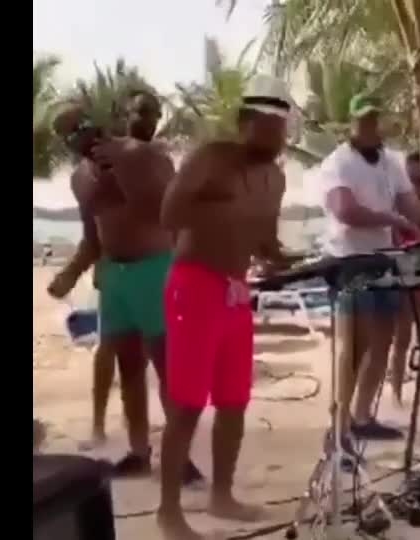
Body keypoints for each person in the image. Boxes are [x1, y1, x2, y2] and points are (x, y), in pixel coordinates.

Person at [157, 74, 291, 540]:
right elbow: (169, 215)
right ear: (243, 123)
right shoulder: (211, 158)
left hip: (236, 291)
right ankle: (168, 512)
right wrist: (222, 207)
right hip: (194, 284)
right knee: (187, 404)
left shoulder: (276, 178)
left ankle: (222, 495)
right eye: (267, 127)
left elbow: (266, 240)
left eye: (281, 129)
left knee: (234, 400)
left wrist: (284, 259)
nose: (276, 138)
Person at [48, 91, 204, 484]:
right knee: (129, 368)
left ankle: (180, 457)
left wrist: (123, 171)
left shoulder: (144, 155)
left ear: (97, 121)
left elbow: (172, 212)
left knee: (168, 367)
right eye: (68, 134)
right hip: (115, 277)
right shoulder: (80, 178)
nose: (79, 136)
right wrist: (70, 273)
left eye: (81, 125)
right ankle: (139, 451)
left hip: (155, 271)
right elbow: (92, 238)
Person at [318, 94, 420, 448]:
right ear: (351, 123)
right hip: (349, 262)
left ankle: (362, 417)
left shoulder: (391, 162)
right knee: (354, 346)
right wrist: (391, 219)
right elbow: (345, 211)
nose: (370, 127)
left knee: (382, 341)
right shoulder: (337, 163)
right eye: (364, 120)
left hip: (384, 260)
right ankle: (339, 426)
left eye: (375, 120)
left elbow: (410, 206)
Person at [387, 151, 420, 406]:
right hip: (405, 271)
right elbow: (395, 237)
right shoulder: (398, 201)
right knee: (402, 338)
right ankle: (396, 392)